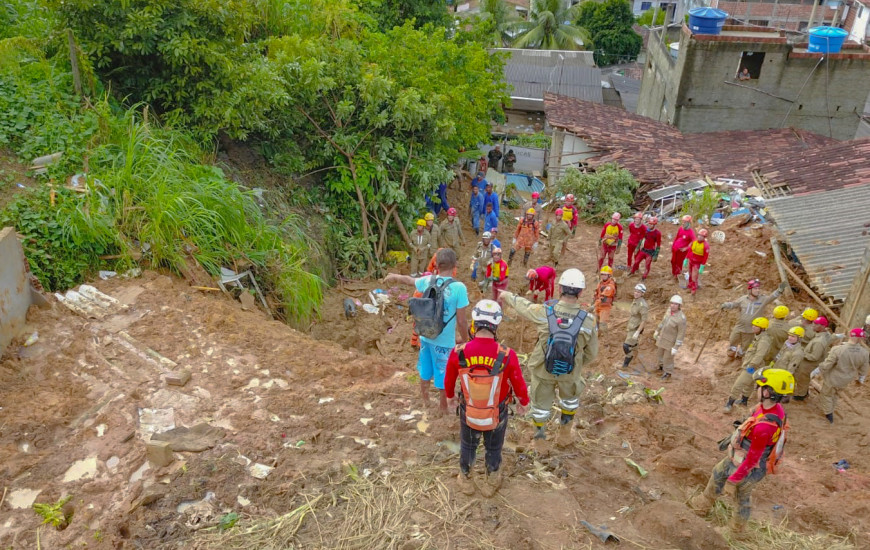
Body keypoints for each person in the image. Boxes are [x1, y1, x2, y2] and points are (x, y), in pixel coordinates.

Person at [500, 269, 598, 447]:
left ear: (559, 289)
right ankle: (565, 435)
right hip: (570, 373)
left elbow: (524, 306)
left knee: (540, 408)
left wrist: (507, 295)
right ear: (581, 292)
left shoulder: (544, 312)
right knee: (569, 402)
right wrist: (575, 363)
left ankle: (540, 443)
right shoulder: (589, 320)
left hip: (542, 370)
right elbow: (591, 353)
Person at [692, 369, 793, 531]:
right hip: (739, 458)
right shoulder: (771, 408)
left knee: (741, 497)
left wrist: (735, 478)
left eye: (759, 386)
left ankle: (736, 530)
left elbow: (753, 458)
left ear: (767, 392)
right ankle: (702, 504)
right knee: (718, 473)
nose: (756, 389)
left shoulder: (765, 427)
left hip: (749, 467)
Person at [446, 299, 529, 497]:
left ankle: (466, 479)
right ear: (497, 324)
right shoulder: (507, 355)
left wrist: (450, 398)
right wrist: (524, 402)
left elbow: (448, 379)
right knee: (493, 447)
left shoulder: (459, 352)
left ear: (474, 322)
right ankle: (492, 480)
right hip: (497, 412)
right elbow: (518, 381)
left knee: (468, 445)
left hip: (469, 409)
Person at [384, 249, 469, 413]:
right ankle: (443, 408)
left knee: (425, 372)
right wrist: (465, 341)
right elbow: (461, 321)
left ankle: (425, 401)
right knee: (443, 377)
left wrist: (394, 276)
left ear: (436, 265)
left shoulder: (429, 280)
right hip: (444, 343)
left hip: (425, 337)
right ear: (455, 265)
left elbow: (409, 280)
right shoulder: (459, 288)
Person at [720, 279, 787, 359]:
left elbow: (772, 297)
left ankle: (740, 358)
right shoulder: (743, 299)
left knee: (745, 346)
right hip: (739, 326)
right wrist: (726, 305)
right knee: (733, 340)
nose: (757, 290)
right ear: (750, 289)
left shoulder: (763, 299)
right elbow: (734, 304)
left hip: (750, 329)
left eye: (758, 288)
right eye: (755, 288)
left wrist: (779, 290)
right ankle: (731, 355)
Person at [814, 328, 869, 423]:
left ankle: (828, 414)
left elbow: (828, 364)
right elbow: (864, 369)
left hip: (834, 377)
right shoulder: (864, 352)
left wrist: (817, 370)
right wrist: (861, 379)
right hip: (846, 379)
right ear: (860, 338)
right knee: (835, 394)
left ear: (850, 336)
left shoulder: (839, 349)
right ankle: (831, 409)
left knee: (826, 394)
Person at [725, 317, 772, 412]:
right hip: (752, 364)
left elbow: (759, 355)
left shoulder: (763, 340)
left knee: (738, 384)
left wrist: (751, 365)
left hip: (753, 366)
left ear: (762, 328)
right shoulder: (759, 337)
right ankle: (744, 400)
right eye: (753, 325)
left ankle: (729, 403)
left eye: (756, 326)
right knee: (749, 384)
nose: (753, 327)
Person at [792, 316, 832, 400]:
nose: (813, 325)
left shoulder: (819, 341)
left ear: (823, 326)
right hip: (813, 361)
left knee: (803, 378)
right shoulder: (825, 335)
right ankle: (803, 391)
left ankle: (801, 395)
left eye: (816, 324)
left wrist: (802, 353)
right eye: (814, 323)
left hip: (809, 364)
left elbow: (814, 357)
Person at [654, 295, 687, 380]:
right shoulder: (668, 311)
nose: (673, 305)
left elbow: (681, 334)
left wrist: (676, 347)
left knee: (667, 358)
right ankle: (661, 367)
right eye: (672, 303)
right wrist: (657, 330)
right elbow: (663, 322)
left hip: (670, 342)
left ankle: (668, 373)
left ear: (679, 306)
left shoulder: (681, 318)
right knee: (659, 354)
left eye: (675, 304)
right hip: (662, 338)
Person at [621, 283, 649, 369]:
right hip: (631, 326)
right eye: (635, 291)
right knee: (633, 344)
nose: (636, 293)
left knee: (626, 346)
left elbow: (644, 320)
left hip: (636, 328)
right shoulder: (635, 301)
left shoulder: (643, 305)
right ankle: (635, 352)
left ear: (642, 294)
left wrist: (637, 332)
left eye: (638, 292)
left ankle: (626, 364)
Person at [670, 215, 695, 282]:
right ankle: (674, 273)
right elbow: (677, 237)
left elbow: (693, 241)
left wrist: (686, 248)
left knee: (679, 263)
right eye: (682, 221)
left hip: (681, 251)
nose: (683, 223)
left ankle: (677, 275)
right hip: (675, 249)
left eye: (684, 222)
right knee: (673, 261)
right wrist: (673, 245)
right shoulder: (680, 229)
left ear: (688, 223)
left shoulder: (690, 232)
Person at [686, 228, 710, 295]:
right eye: (699, 235)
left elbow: (705, 257)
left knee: (694, 275)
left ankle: (694, 288)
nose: (699, 237)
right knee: (690, 273)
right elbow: (690, 250)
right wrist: (686, 258)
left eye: (701, 236)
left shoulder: (706, 246)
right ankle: (690, 284)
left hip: (697, 263)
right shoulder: (694, 242)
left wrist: (702, 266)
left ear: (704, 237)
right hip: (691, 260)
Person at [594, 266, 617, 331]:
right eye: (602, 274)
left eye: (605, 275)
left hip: (605, 307)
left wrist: (593, 306)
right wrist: (593, 303)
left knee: (602, 325)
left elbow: (603, 298)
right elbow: (596, 294)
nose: (603, 276)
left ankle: (605, 336)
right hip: (598, 306)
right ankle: (597, 335)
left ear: (609, 275)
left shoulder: (611, 286)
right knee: (595, 324)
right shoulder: (600, 283)